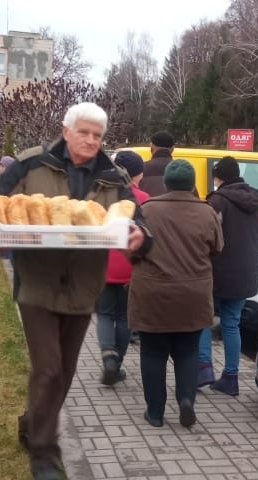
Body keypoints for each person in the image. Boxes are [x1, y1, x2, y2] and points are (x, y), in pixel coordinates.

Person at [0, 102, 152, 480]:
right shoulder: (30, 163)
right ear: (66, 131)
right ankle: (44, 455)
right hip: (37, 284)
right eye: (84, 132)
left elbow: (138, 223)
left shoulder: (114, 175)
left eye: (98, 135)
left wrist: (140, 240)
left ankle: (32, 422)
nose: (91, 140)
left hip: (83, 288)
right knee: (47, 369)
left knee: (65, 372)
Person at [129, 160, 223, 430]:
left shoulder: (146, 210)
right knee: (187, 351)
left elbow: (133, 249)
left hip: (152, 293)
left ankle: (155, 413)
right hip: (193, 294)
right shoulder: (208, 213)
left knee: (153, 353)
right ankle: (186, 401)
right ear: (192, 184)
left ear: (167, 183)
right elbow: (217, 249)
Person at [197, 156, 258, 396]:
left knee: (203, 318)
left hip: (218, 271)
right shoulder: (256, 201)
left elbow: (207, 236)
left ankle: (204, 369)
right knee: (232, 324)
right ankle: (231, 377)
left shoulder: (217, 201)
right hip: (245, 272)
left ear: (220, 177)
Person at [96, 151, 150, 386]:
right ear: (138, 174)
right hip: (130, 267)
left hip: (102, 265)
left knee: (105, 314)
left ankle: (108, 356)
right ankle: (117, 364)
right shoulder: (143, 198)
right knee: (125, 317)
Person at [137, 131, 174, 197]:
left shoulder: (141, 168)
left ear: (152, 146)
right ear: (173, 148)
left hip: (147, 206)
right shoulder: (182, 171)